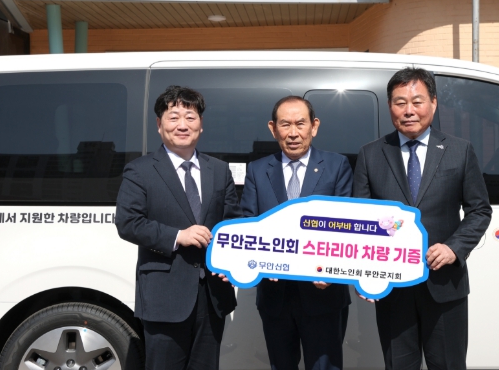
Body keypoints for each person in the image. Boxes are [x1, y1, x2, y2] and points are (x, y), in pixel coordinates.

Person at [353, 68, 492, 370]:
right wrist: (364, 273)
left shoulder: (459, 150)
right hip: (393, 290)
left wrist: (454, 247)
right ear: (389, 106)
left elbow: (480, 210)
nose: (409, 111)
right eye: (400, 102)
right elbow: (359, 221)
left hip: (445, 285)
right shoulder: (371, 154)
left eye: (417, 101)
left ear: (433, 103)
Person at [115, 86, 241, 370]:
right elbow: (128, 222)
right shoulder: (140, 170)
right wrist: (178, 236)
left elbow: (233, 222)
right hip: (165, 296)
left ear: (201, 124)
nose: (182, 125)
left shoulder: (219, 170)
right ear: (159, 125)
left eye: (190, 117)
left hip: (213, 296)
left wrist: (234, 262)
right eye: (173, 117)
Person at [240, 96, 353, 370]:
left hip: (324, 295)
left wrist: (332, 268)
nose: (293, 133)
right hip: (275, 297)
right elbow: (247, 223)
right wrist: (260, 261)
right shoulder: (257, 170)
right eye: (285, 124)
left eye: (300, 124)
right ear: (273, 128)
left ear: (314, 126)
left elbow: (347, 227)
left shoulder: (336, 166)